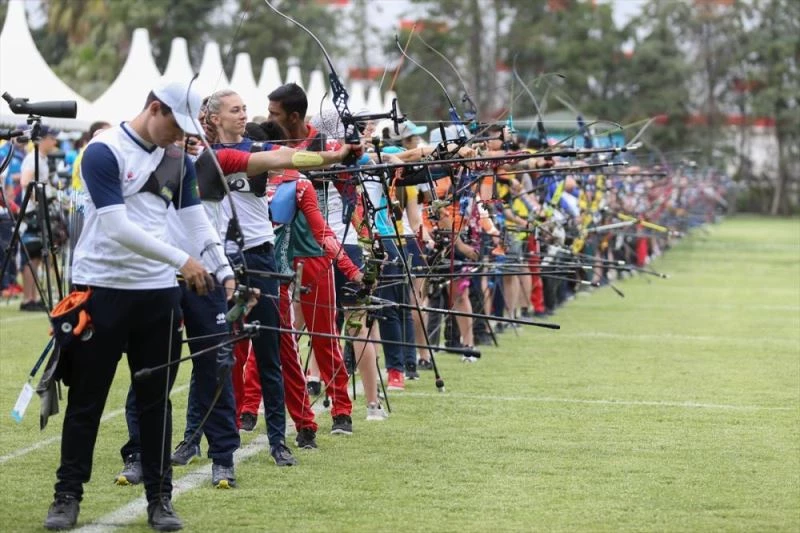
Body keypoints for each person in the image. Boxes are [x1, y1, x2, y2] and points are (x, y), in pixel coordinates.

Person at [44, 80, 218, 532]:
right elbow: (117, 226)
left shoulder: (177, 158)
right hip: (101, 290)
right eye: (174, 126)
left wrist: (223, 267)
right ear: (154, 108)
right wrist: (184, 260)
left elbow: (193, 216)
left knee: (155, 403)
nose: (179, 138)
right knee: (87, 401)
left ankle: (160, 500)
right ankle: (67, 497)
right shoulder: (103, 151)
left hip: (158, 296)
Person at [199, 89, 354, 462]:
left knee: (280, 349)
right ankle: (235, 419)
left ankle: (305, 424)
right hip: (230, 262)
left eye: (244, 110)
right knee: (232, 349)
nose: (242, 114)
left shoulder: (284, 175)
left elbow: (287, 158)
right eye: (235, 110)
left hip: (276, 265)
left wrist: (334, 156)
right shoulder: (213, 158)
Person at [17, 125, 61, 311]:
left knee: (37, 255)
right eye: (51, 138)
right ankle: (28, 299)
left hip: (39, 210)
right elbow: (26, 181)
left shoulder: (41, 159)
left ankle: (33, 297)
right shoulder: (32, 159)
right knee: (32, 253)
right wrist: (38, 201)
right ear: (42, 139)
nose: (55, 142)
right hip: (32, 212)